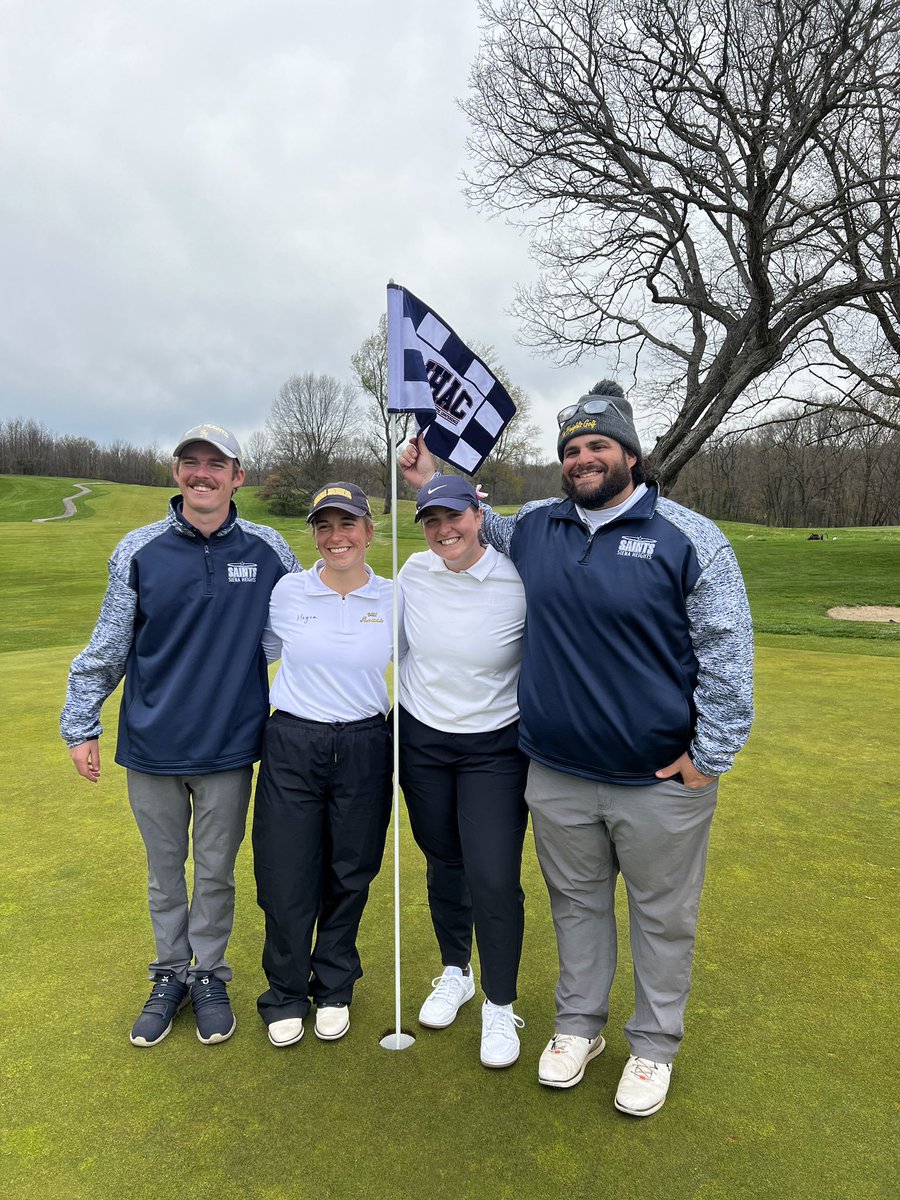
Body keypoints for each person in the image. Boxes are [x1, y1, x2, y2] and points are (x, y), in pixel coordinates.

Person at [399, 380, 754, 1116]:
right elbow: (471, 523)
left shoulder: (688, 536)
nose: (582, 458)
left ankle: (653, 1046)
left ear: (630, 453)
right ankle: (577, 1028)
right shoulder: (535, 526)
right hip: (556, 774)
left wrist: (709, 754)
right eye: (570, 449)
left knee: (662, 916)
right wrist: (428, 475)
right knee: (576, 906)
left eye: (597, 445)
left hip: (657, 778)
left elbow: (727, 651)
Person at [61, 423, 300, 1048]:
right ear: (176, 474)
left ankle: (210, 975)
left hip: (229, 746)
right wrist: (80, 724)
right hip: (152, 745)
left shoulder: (268, 547)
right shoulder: (138, 550)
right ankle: (169, 974)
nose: (203, 474)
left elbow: (305, 619)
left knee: (216, 873)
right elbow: (110, 646)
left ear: (237, 475)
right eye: (190, 463)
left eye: (215, 464)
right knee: (166, 873)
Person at [252, 482, 393, 1048]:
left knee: (351, 870)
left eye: (348, 524)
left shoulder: (393, 596)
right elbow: (259, 652)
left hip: (364, 742)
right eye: (325, 526)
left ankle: (334, 984)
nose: (336, 537)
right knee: (286, 873)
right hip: (292, 741)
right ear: (314, 533)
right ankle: (285, 991)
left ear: (368, 531)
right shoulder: (287, 591)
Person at [398, 476, 529, 1069]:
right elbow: (393, 648)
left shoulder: (514, 577)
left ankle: (500, 1004)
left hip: (494, 748)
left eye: (454, 516)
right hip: (423, 740)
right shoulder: (412, 572)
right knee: (443, 860)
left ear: (479, 514)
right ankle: (456, 971)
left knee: (494, 874)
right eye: (431, 520)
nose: (443, 530)